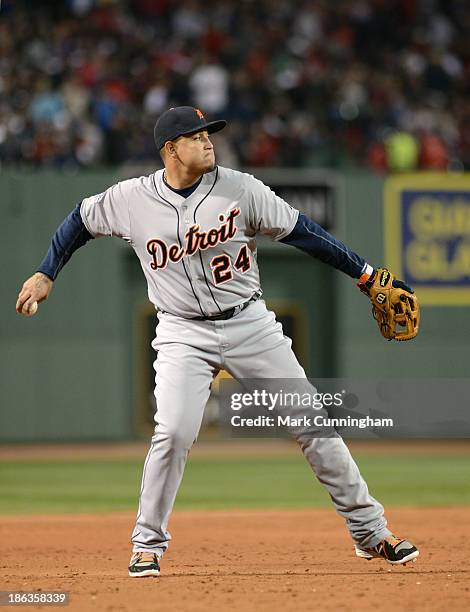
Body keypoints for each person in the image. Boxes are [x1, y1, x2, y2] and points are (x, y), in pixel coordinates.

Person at [16, 106, 419, 577]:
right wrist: (46, 271)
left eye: (209, 135)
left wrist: (367, 275)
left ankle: (371, 533)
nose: (208, 142)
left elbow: (304, 234)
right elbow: (78, 221)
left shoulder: (240, 188)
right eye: (196, 136)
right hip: (182, 332)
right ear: (170, 150)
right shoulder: (132, 199)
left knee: (315, 425)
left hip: (250, 324)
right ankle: (147, 544)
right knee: (174, 432)